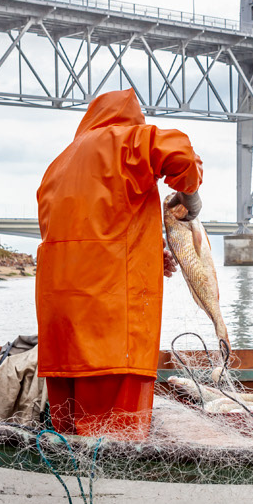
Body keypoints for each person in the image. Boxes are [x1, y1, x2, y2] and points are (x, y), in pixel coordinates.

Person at [36, 89, 203, 439]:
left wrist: (149, 255)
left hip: (62, 329)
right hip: (111, 329)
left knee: (71, 431)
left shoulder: (59, 164)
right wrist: (190, 194)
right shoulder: (125, 141)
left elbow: (82, 235)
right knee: (115, 438)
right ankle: (116, 491)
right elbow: (181, 154)